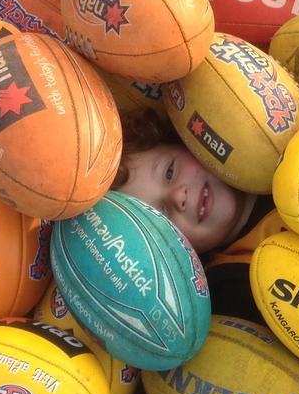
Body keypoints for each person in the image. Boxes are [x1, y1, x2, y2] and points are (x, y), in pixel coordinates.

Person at [111, 107, 286, 317]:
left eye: (169, 172)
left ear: (186, 143)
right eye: (159, 217)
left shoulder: (283, 144)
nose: (178, 197)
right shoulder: (233, 289)